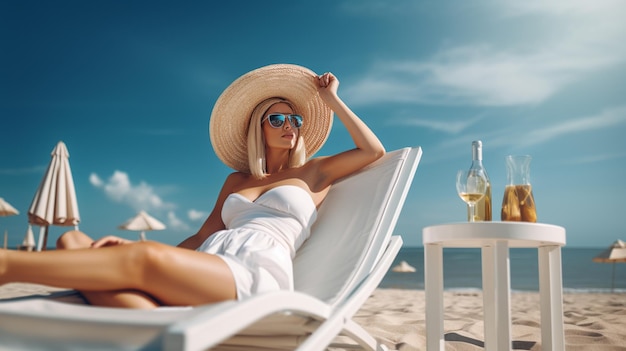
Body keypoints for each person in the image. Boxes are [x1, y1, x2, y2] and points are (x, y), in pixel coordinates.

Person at [0, 64, 385, 309]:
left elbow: (372, 150)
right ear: (259, 129)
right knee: (73, 241)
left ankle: (8, 266)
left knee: (142, 259)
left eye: (296, 119)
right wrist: (165, 255)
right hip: (210, 258)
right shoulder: (237, 180)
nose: (289, 125)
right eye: (278, 118)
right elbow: (204, 234)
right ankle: (143, 318)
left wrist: (330, 100)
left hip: (254, 270)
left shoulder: (314, 172)